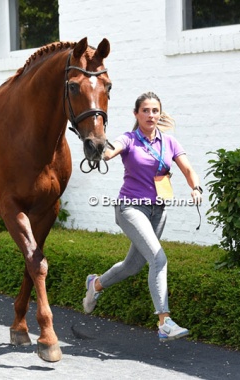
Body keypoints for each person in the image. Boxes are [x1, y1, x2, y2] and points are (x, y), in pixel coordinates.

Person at [83, 91, 203, 341]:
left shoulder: (169, 142)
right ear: (136, 114)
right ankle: (164, 322)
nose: (151, 115)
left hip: (158, 210)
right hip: (130, 208)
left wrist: (195, 187)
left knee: (133, 265)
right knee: (159, 258)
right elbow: (108, 152)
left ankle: (95, 285)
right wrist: (97, 146)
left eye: (155, 110)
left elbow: (188, 168)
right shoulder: (128, 139)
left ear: (160, 114)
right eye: (145, 110)